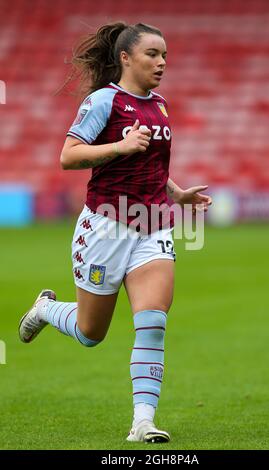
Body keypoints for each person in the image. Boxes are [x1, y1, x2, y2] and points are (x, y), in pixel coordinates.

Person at [19, 22, 212, 443]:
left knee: (154, 321)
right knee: (91, 334)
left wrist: (177, 194)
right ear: (126, 58)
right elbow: (68, 156)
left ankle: (143, 422)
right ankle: (46, 310)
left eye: (165, 56)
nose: (161, 63)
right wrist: (119, 147)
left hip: (153, 227)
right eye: (152, 54)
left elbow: (154, 168)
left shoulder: (160, 106)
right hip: (105, 226)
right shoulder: (104, 101)